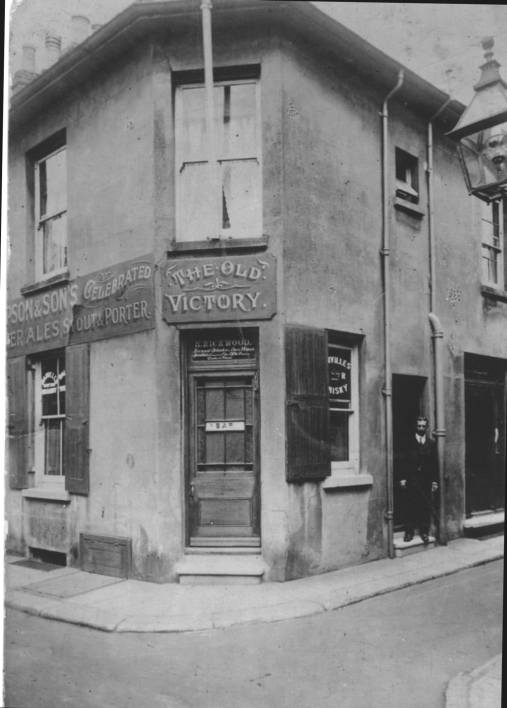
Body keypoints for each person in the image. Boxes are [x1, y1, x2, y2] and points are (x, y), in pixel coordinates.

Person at [399, 416, 438, 543]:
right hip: (411, 479)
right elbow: (402, 462)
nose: (421, 428)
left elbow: (434, 464)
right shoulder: (407, 442)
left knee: (424, 507)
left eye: (423, 426)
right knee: (409, 506)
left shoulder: (431, 444)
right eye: (419, 426)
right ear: (415, 427)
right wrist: (402, 478)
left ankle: (424, 533)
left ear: (426, 427)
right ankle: (409, 533)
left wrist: (434, 481)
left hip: (425, 480)